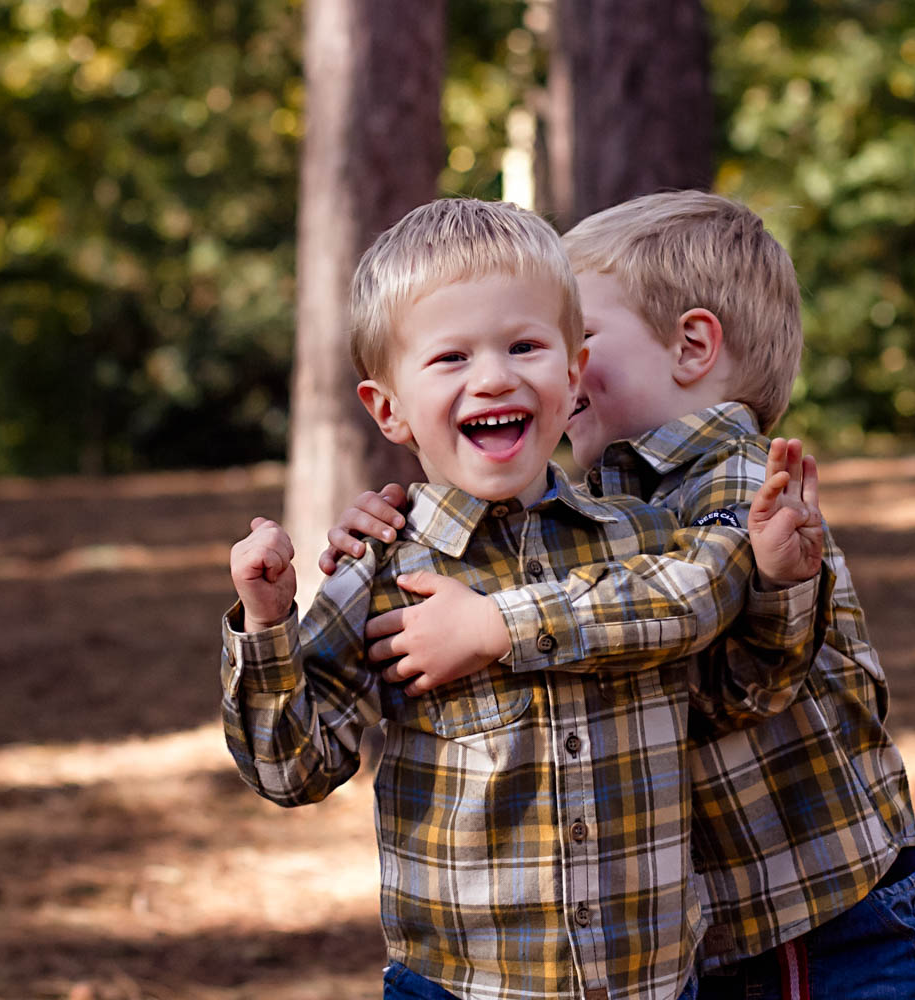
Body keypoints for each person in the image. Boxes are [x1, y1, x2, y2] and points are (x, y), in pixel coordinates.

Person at [322, 191, 915, 1000]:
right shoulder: (614, 507)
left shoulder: (747, 482)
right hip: (713, 927)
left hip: (816, 914)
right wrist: (395, 526)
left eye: (571, 336)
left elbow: (689, 604)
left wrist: (494, 621)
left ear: (691, 346)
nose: (543, 368)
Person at [220, 197, 800, 1000]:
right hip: (468, 986)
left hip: (654, 981)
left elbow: (740, 695)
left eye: (524, 346)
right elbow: (293, 770)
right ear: (387, 409)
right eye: (450, 358)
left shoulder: (642, 538)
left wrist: (778, 584)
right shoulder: (380, 569)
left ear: (570, 375)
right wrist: (268, 621)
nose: (493, 376)